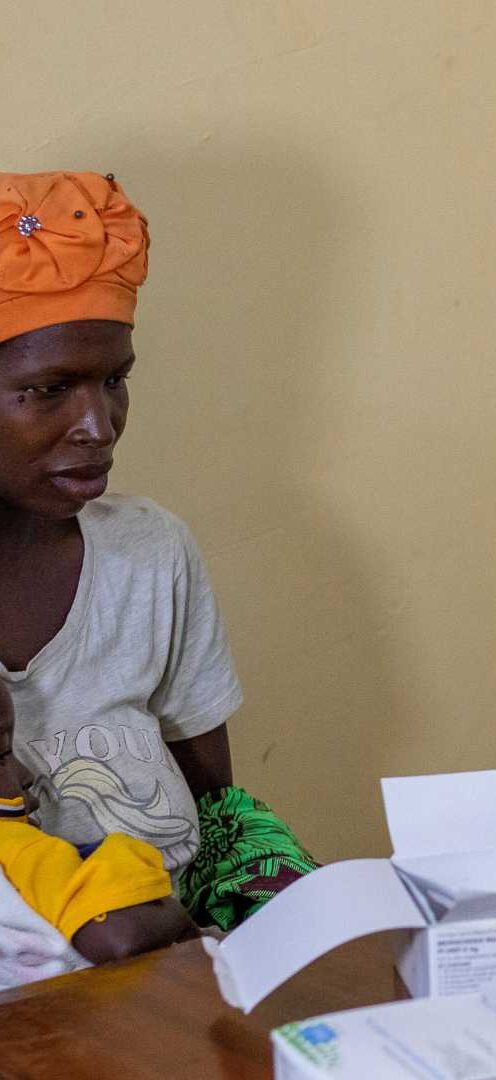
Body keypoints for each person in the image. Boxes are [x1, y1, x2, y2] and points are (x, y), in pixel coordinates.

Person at [0, 170, 315, 934]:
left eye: (115, 381)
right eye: (49, 390)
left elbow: (217, 809)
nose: (98, 426)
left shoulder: (150, 550)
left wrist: (267, 922)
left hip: (179, 959)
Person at [0, 680, 195, 987]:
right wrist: (175, 914)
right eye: (2, 756)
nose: (27, 774)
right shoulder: (17, 849)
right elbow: (119, 940)